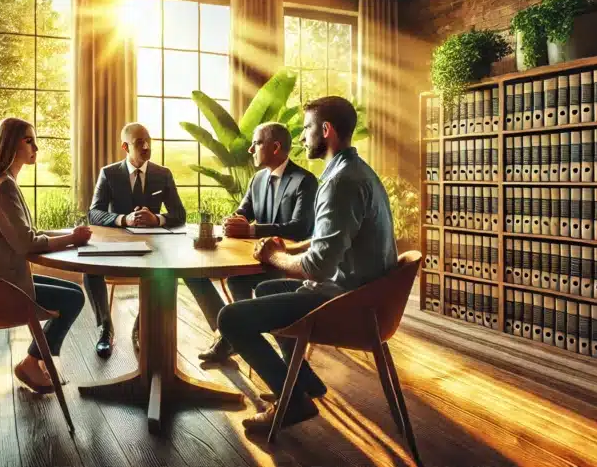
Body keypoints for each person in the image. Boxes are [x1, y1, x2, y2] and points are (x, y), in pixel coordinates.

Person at [217, 96, 397, 435]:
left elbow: (316, 267)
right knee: (265, 287)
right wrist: (286, 247)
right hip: (362, 291)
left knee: (231, 319)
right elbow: (331, 239)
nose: (301, 137)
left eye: (307, 128)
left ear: (326, 131)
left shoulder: (341, 182)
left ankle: (295, 402)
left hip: (348, 301)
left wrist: (273, 256)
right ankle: (302, 383)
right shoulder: (354, 171)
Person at [0, 117, 93, 395]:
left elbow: (25, 233)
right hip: (0, 288)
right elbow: (26, 244)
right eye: (28, 140)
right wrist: (72, 239)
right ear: (10, 144)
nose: (36, 147)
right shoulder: (3, 187)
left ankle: (34, 361)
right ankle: (32, 362)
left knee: (73, 291)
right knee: (73, 298)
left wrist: (64, 234)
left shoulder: (2, 183)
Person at [185, 122, 318, 363]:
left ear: (275, 147)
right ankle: (232, 336)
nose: (250, 149)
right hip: (256, 257)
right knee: (202, 275)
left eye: (256, 143)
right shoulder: (257, 179)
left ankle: (236, 339)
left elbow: (300, 228)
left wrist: (252, 229)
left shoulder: (304, 181)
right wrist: (233, 221)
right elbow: (243, 212)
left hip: (288, 262)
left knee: (238, 281)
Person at [87, 122, 186, 358]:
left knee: (168, 270)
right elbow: (94, 213)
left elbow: (180, 215)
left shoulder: (163, 174)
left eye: (148, 141)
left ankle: (142, 327)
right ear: (125, 147)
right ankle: (105, 328)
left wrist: (158, 219)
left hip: (153, 250)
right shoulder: (109, 173)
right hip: (117, 247)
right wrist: (123, 219)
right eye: (139, 142)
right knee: (90, 270)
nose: (146, 146)